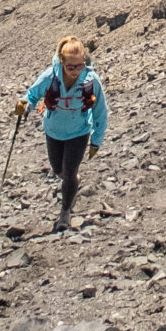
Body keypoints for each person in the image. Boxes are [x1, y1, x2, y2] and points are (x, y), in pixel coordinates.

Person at [16, 33, 108, 233]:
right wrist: (25, 105)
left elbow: (100, 110)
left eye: (79, 66)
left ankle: (65, 213)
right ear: (61, 62)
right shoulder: (50, 76)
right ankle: (72, 182)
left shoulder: (91, 81)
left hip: (79, 131)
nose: (75, 71)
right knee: (58, 169)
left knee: (68, 173)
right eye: (70, 66)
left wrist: (96, 141)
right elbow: (32, 94)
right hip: (53, 131)